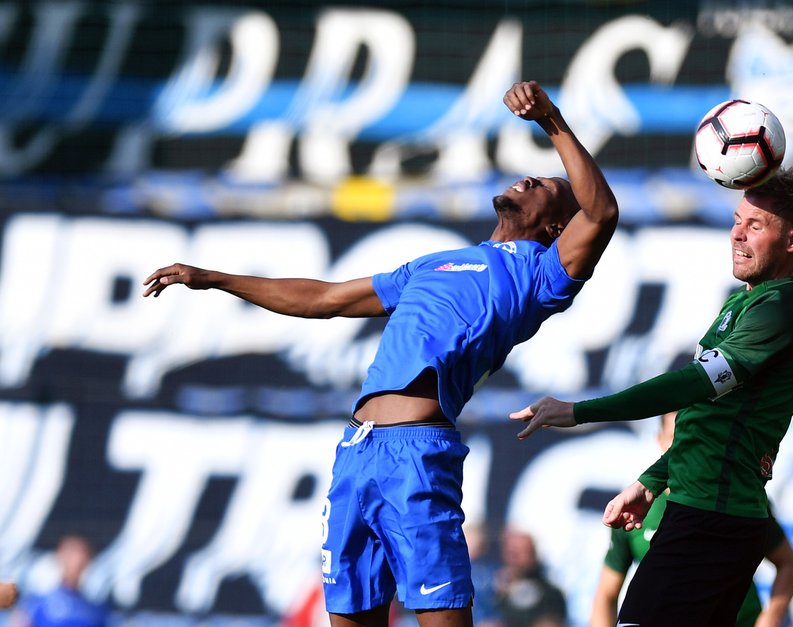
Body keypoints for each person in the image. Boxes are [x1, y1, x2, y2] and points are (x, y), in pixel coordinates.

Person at [143, 80, 619, 627]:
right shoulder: (432, 263)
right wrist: (212, 277)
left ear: (557, 225)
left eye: (547, 189)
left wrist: (550, 119)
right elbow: (323, 298)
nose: (531, 178)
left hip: (417, 455)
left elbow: (601, 210)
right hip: (355, 454)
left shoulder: (540, 277)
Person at [512, 166, 793, 626]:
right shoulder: (747, 301)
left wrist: (581, 411)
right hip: (703, 510)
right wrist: (651, 481)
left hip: (713, 518)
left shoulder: (779, 311)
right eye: (737, 220)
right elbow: (706, 419)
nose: (737, 234)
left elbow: (693, 384)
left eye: (755, 226)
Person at [588, 411, 793, 627]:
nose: (685, 447)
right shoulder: (636, 510)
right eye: (677, 438)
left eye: (693, 436)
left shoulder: (740, 498)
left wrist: (770, 618)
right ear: (659, 440)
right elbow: (606, 594)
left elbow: (787, 563)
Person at [17, 535, 110, 627]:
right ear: (60, 556)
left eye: (82, 554)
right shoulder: (37, 603)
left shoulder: (97, 610)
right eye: (71, 554)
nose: (76, 561)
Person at [495, 527, 567, 627]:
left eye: (521, 552)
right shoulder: (492, 592)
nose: (514, 558)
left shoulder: (551, 595)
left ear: (533, 554)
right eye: (511, 553)